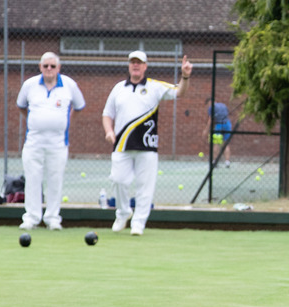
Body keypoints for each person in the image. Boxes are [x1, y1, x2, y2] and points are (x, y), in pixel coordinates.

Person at [101, 50, 192, 235]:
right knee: (118, 180)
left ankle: (138, 223)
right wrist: (109, 131)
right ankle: (123, 213)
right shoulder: (118, 88)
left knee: (145, 187)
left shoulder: (154, 86)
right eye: (132, 62)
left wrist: (185, 76)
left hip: (147, 146)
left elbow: (179, 92)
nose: (135, 65)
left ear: (145, 66)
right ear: (129, 65)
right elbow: (107, 114)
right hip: (121, 145)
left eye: (139, 62)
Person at [16, 52, 86, 231]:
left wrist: (65, 124)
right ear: (40, 67)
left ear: (58, 68)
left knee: (55, 179)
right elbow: (21, 106)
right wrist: (37, 122)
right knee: (32, 179)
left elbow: (79, 107)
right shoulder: (29, 85)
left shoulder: (69, 85)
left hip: (58, 144)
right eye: (45, 66)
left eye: (52, 66)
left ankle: (53, 218)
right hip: (33, 142)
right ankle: (31, 218)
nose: (49, 69)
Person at [206, 99, 232, 168]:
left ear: (209, 102)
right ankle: (227, 162)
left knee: (216, 143)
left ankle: (214, 161)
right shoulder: (223, 105)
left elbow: (210, 120)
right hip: (227, 124)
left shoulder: (211, 107)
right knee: (225, 143)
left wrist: (206, 130)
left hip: (219, 125)